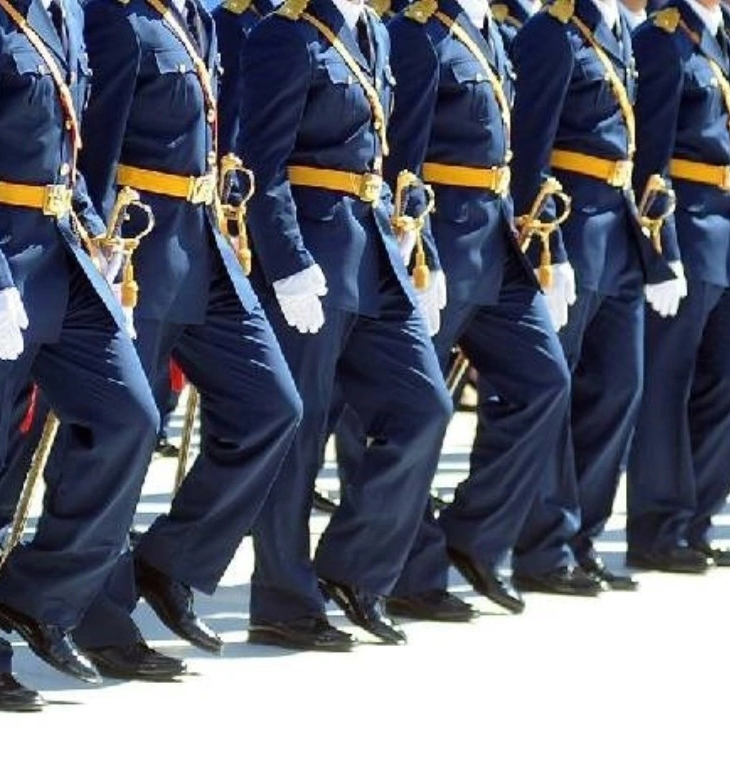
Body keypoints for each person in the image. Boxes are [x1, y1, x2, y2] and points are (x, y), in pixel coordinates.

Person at [0, 0, 164, 709]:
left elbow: (68, 152)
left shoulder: (64, 14)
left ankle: (37, 593)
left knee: (130, 418)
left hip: (62, 254)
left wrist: (93, 233)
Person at [69, 0, 302, 679]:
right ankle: (100, 617)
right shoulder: (116, 18)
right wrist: (97, 246)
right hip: (137, 244)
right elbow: (95, 147)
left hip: (201, 239)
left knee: (271, 406)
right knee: (124, 435)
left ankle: (171, 561)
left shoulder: (192, 16)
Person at [240, 0, 454, 650]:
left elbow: (392, 162)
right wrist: (286, 262)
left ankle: (353, 568)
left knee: (426, 406)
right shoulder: (286, 35)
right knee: (301, 433)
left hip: (375, 248)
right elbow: (262, 164)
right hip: (313, 254)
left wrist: (421, 249)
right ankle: (282, 600)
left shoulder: (374, 34)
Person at [379, 0, 572, 619]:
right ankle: (409, 568)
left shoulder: (488, 31)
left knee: (544, 383)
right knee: (411, 408)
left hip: (496, 242)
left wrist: (550, 247)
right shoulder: (419, 33)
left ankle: (474, 535)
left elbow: (518, 152)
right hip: (442, 243)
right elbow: (402, 160)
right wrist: (417, 249)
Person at [510, 0, 678, 595]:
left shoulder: (621, 31)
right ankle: (543, 546)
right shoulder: (553, 32)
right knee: (558, 390)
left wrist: (662, 250)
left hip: (619, 227)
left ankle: (582, 538)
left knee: (620, 387)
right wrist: (541, 244)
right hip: (571, 228)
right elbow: (530, 145)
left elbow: (642, 152)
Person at [624, 0, 730, 573]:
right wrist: (661, 251)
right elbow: (650, 159)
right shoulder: (662, 40)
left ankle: (695, 518)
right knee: (668, 383)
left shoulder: (727, 35)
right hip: (685, 226)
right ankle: (658, 528)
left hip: (729, 227)